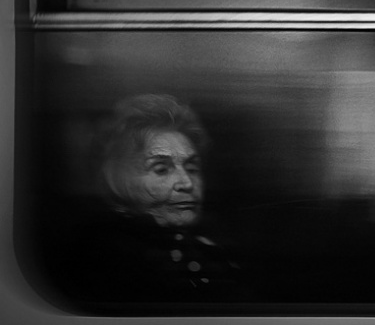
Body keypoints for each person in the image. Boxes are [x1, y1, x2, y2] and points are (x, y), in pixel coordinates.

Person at [58, 94, 248, 304]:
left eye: (192, 168)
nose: (187, 183)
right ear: (118, 179)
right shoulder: (103, 259)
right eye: (161, 169)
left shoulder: (210, 254)